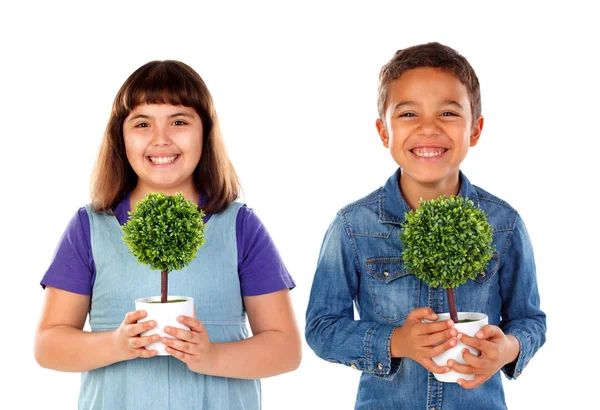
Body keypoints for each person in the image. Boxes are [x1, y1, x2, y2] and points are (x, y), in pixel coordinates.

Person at [34, 60, 301, 410]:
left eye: (179, 121)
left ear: (205, 131)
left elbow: (285, 349)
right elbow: (48, 346)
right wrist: (117, 344)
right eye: (142, 123)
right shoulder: (90, 228)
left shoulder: (240, 227)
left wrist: (211, 357)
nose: (161, 139)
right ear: (121, 136)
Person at [305, 42, 546, 409]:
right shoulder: (353, 227)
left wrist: (509, 348)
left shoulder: (504, 224)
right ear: (383, 132)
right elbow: (322, 327)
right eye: (408, 115)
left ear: (475, 129)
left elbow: (529, 319)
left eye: (448, 113)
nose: (429, 128)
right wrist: (396, 341)